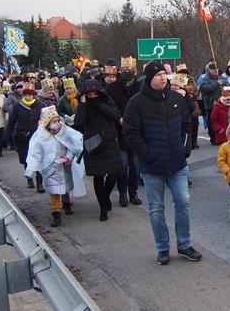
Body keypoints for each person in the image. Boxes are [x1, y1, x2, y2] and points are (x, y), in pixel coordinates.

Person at [123, 62, 201, 265]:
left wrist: (185, 148)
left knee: (183, 201)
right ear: (149, 78)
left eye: (164, 74)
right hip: (152, 166)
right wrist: (146, 155)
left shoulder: (176, 98)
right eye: (158, 75)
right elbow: (130, 134)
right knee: (156, 208)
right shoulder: (136, 103)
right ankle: (163, 247)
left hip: (177, 163)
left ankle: (184, 244)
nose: (163, 78)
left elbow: (187, 124)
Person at [25, 106, 83, 227]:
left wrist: (68, 157)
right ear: (47, 123)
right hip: (50, 167)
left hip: (63, 165)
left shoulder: (64, 132)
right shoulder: (41, 137)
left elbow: (71, 147)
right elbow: (36, 153)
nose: (57, 124)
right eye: (54, 121)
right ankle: (56, 213)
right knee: (54, 191)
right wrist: (31, 169)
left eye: (58, 121)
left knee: (65, 187)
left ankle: (66, 203)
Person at [74, 79, 123, 221]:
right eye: (89, 94)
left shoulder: (107, 101)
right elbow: (78, 122)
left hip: (110, 142)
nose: (93, 96)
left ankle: (106, 196)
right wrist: (83, 103)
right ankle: (102, 207)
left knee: (113, 174)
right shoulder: (83, 105)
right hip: (93, 144)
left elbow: (115, 116)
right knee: (98, 176)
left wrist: (99, 105)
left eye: (95, 93)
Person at [105, 57, 143, 206]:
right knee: (122, 165)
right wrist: (118, 118)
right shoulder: (112, 88)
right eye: (125, 70)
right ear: (120, 71)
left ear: (135, 72)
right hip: (119, 132)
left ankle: (133, 192)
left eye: (130, 71)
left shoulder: (140, 87)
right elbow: (107, 106)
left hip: (136, 131)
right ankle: (122, 193)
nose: (127, 73)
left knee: (134, 165)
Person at [5, 83, 45, 190]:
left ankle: (39, 182)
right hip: (22, 136)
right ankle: (29, 178)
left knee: (38, 158)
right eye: (25, 95)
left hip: (37, 136)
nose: (27, 97)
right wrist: (6, 136)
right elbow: (12, 122)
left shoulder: (40, 105)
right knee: (26, 158)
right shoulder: (18, 106)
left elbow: (47, 120)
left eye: (30, 95)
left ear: (33, 96)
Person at [199, 63, 222, 145]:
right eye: (214, 69)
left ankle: (220, 136)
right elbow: (205, 89)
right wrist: (216, 83)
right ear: (209, 70)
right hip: (211, 103)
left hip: (220, 103)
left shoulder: (220, 77)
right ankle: (213, 138)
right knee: (212, 121)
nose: (216, 71)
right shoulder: (206, 78)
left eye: (217, 69)